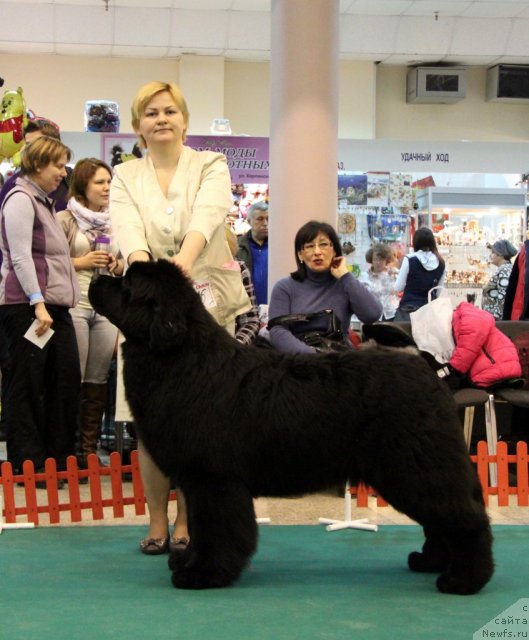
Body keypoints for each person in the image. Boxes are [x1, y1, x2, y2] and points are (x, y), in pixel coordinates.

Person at [110, 81, 251, 555]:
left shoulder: (210, 163)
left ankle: (191, 520)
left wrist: (179, 269)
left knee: (205, 424)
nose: (161, 119)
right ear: (137, 126)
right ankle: (155, 521)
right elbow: (128, 229)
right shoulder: (125, 176)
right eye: (150, 113)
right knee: (150, 422)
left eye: (170, 111)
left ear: (185, 120)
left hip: (207, 309)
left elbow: (208, 216)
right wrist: (145, 270)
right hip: (146, 318)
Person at [0, 136, 81, 476]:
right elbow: (20, 256)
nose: (63, 173)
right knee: (27, 385)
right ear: (37, 165)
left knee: (65, 380)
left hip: (54, 308)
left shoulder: (45, 202)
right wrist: (37, 302)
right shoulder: (20, 199)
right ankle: (28, 465)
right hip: (27, 308)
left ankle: (58, 461)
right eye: (58, 166)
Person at [56, 158, 124, 467]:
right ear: (83, 184)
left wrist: (117, 264)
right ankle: (68, 448)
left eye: (109, 182)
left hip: (106, 309)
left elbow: (124, 261)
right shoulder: (64, 219)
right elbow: (50, 264)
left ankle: (88, 449)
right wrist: (81, 262)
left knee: (99, 379)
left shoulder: (118, 221)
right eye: (100, 182)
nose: (107, 187)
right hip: (75, 304)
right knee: (75, 376)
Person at [268, 220, 382, 354]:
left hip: (340, 361)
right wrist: (314, 357)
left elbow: (372, 315)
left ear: (334, 251)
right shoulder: (285, 287)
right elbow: (277, 332)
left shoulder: (345, 284)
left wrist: (346, 276)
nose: (317, 252)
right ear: (300, 254)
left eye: (323, 245)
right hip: (299, 362)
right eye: (310, 246)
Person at [0, 119, 71, 212]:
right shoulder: (12, 185)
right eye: (28, 145)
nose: (31, 150)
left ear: (56, 146)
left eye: (38, 144)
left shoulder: (73, 179)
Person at [394, 227, 445, 322]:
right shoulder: (441, 262)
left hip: (409, 312)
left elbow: (398, 287)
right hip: (429, 313)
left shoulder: (410, 259)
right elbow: (438, 292)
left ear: (415, 242)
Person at [225, 227, 260, 345]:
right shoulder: (189, 272)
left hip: (234, 350)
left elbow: (251, 321)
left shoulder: (240, 269)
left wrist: (235, 347)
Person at [236, 201, 269, 305]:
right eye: (260, 219)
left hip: (274, 304)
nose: (265, 223)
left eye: (268, 219)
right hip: (247, 305)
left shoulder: (279, 246)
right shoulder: (237, 247)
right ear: (249, 221)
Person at [359, 243, 399, 320]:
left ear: (386, 260)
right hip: (372, 314)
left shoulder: (393, 273)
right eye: (375, 259)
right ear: (371, 260)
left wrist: (397, 274)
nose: (378, 262)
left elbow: (403, 286)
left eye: (381, 259)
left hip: (391, 314)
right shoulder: (365, 276)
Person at [481, 239, 518, 319]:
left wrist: (497, 318)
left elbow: (503, 297)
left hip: (497, 321)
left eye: (493, 252)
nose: (491, 255)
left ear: (500, 254)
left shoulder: (505, 270)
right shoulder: (504, 269)